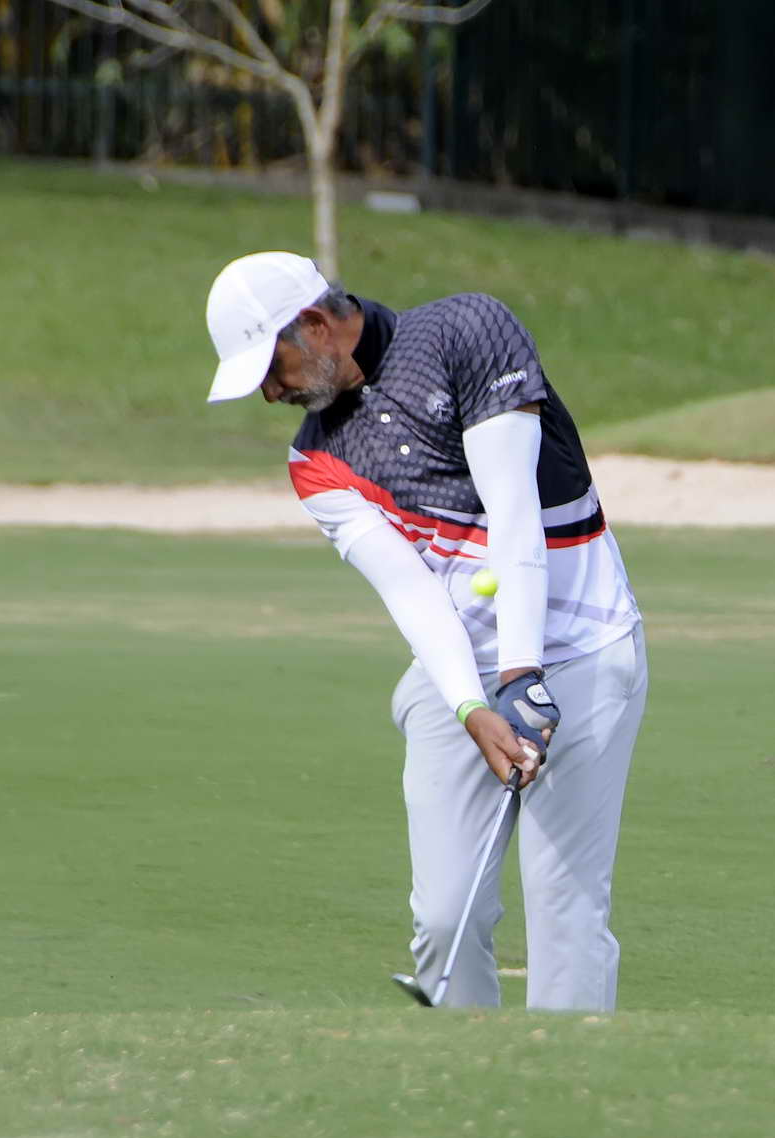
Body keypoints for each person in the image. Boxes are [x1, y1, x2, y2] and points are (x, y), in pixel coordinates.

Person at [202, 251, 647, 1011]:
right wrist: (474, 706)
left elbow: (512, 511)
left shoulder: (467, 331)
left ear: (315, 324)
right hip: (459, 673)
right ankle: (465, 1069)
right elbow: (411, 595)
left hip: (584, 647)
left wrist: (522, 673)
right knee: (443, 919)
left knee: (564, 911)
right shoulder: (316, 461)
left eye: (272, 368)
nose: (272, 393)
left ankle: (564, 1075)